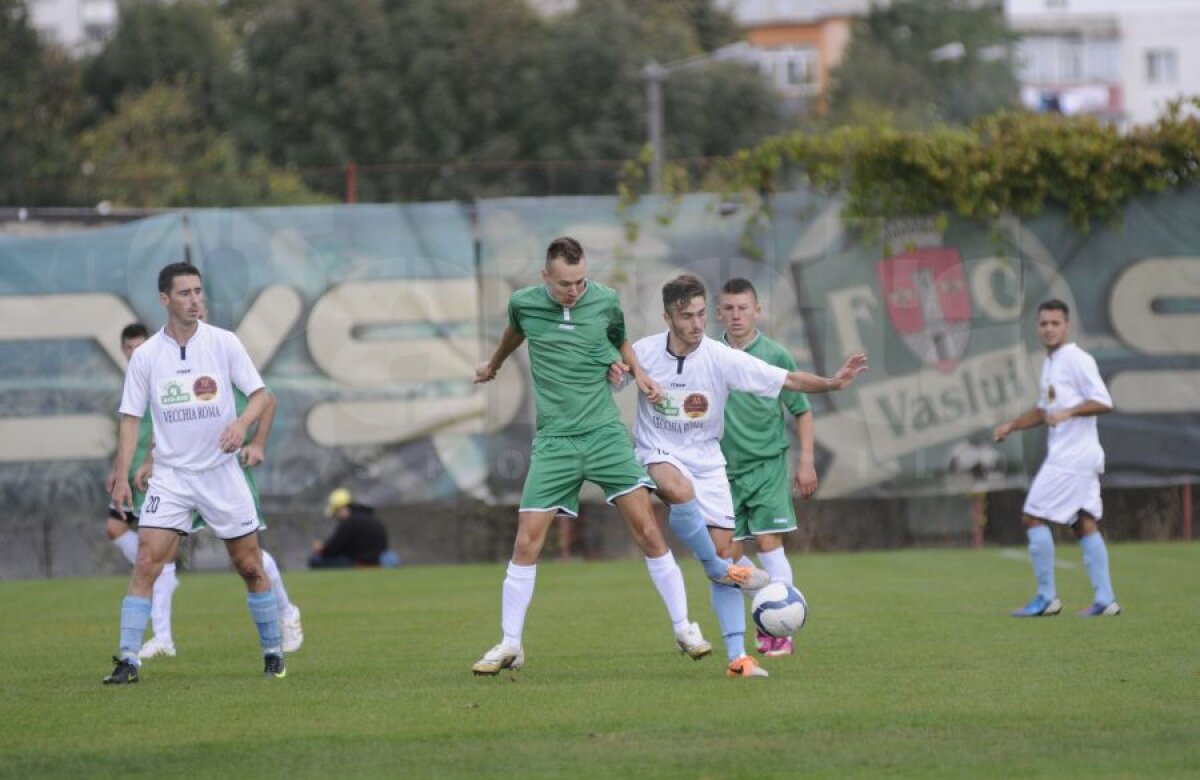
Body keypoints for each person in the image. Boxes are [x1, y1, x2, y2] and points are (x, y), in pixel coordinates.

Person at [470, 237, 756, 676]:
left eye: (581, 280)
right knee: (527, 539)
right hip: (555, 441)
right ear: (546, 277)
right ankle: (510, 642)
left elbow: (620, 341)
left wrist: (638, 374)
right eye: (566, 283)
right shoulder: (524, 304)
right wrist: (494, 364)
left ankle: (685, 628)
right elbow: (515, 333)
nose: (575, 291)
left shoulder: (604, 300)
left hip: (605, 435)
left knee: (646, 529)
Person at [621, 273, 866, 678]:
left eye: (702, 315)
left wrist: (834, 383)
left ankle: (738, 658)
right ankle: (721, 570)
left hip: (708, 460)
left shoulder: (719, 356)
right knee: (679, 492)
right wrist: (614, 372)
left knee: (724, 559)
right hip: (658, 452)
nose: (698, 324)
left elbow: (786, 379)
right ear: (668, 317)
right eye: (687, 316)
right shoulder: (643, 353)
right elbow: (609, 372)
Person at [104, 261, 286, 684]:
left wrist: (243, 426)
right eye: (184, 293)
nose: (194, 300)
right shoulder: (146, 356)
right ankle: (129, 658)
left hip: (221, 476)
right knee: (147, 561)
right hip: (171, 477)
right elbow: (130, 419)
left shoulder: (223, 343)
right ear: (164, 299)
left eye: (198, 292)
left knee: (250, 567)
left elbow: (261, 395)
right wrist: (120, 476)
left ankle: (273, 651)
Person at [994, 298, 1119, 618]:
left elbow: (1103, 401)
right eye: (1043, 323)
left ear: (1067, 326)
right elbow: (1042, 410)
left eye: (1055, 323)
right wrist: (1012, 425)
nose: (1048, 329)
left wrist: (1070, 411)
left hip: (1072, 457)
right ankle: (1105, 600)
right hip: (1077, 457)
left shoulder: (1077, 359)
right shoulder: (1051, 363)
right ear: (1038, 328)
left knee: (1032, 516)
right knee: (1082, 522)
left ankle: (1047, 597)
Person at [717, 278, 817, 657]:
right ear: (719, 313)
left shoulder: (775, 355)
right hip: (722, 471)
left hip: (767, 465)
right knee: (726, 553)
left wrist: (805, 462)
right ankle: (767, 610)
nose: (736, 315)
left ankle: (780, 630)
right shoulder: (709, 355)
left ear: (757, 311)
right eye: (729, 308)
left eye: (743, 308)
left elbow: (802, 412)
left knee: (768, 541)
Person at [103, 323, 182, 655]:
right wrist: (118, 470)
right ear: (123, 351)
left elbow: (164, 426)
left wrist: (151, 460)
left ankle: (163, 636)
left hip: (155, 474)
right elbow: (127, 430)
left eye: (140, 346)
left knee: (157, 552)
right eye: (129, 348)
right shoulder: (130, 381)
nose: (135, 353)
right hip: (132, 473)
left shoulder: (157, 375)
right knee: (115, 528)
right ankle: (164, 571)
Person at [309, 488, 391, 568]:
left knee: (315, 560)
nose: (336, 517)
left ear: (341, 509)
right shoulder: (371, 518)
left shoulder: (349, 523)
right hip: (378, 561)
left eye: (336, 513)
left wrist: (321, 549)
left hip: (358, 563)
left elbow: (332, 550)